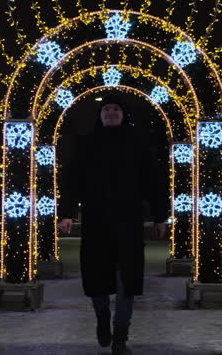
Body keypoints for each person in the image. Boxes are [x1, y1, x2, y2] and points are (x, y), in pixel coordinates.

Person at [57, 93, 169, 355]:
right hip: (96, 222)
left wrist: (159, 216)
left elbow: (153, 183)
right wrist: (67, 213)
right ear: (100, 115)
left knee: (126, 280)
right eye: (106, 109)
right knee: (96, 276)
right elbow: (71, 182)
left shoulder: (138, 145)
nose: (110, 113)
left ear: (123, 114)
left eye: (115, 109)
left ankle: (120, 334)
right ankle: (102, 317)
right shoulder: (86, 144)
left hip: (128, 222)